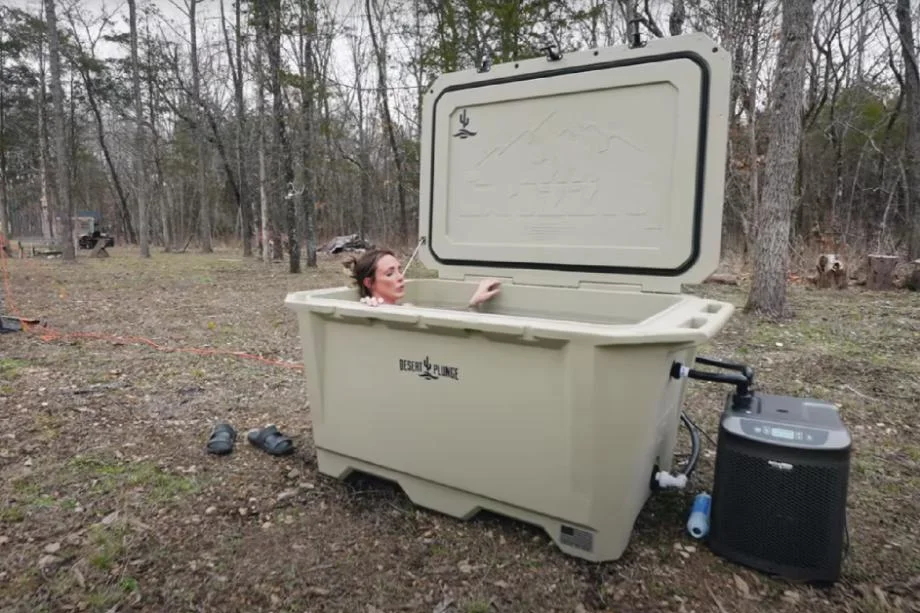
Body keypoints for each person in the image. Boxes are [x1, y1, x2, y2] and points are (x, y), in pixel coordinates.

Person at [345, 248, 501, 309]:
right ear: (369, 282)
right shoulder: (365, 308)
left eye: (399, 270)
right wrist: (367, 308)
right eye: (389, 273)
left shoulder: (407, 308)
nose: (400, 277)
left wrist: (473, 303)